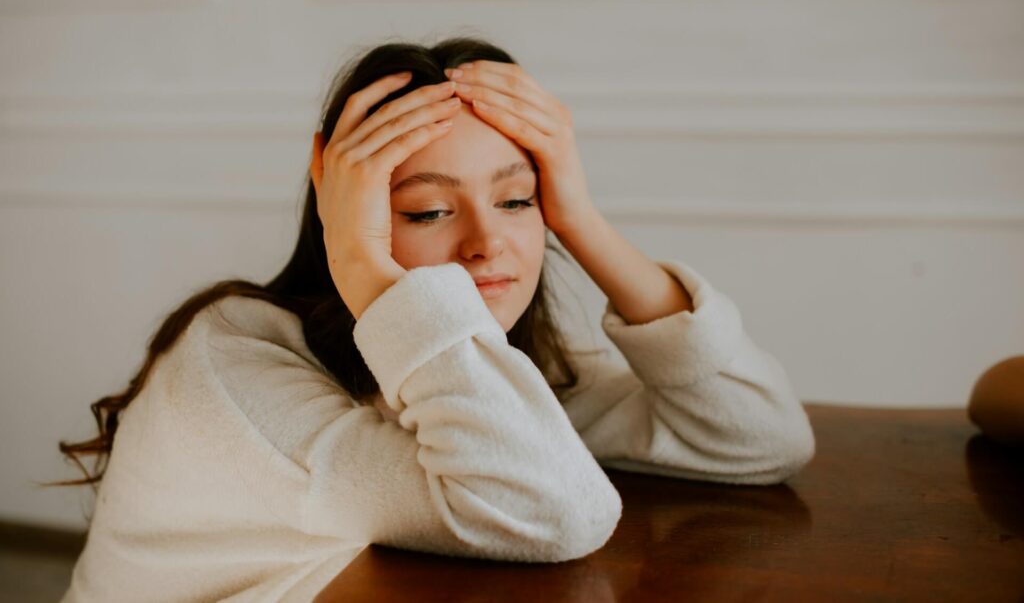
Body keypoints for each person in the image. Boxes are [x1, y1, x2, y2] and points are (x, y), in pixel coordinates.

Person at [48, 36, 816, 602]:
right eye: (429, 209)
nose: (488, 244)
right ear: (344, 209)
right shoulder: (234, 365)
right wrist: (362, 261)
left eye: (518, 199)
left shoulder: (476, 368)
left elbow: (761, 436)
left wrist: (580, 219)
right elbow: (555, 512)